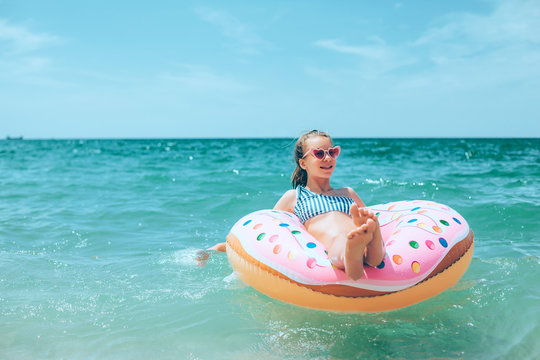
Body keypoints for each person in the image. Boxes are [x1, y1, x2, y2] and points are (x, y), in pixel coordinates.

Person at [201, 130, 384, 280]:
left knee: (369, 239)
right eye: (319, 153)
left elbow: (365, 215)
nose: (328, 158)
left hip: (355, 232)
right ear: (303, 163)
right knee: (340, 240)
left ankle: (368, 242)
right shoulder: (294, 197)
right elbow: (265, 233)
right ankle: (352, 250)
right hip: (335, 240)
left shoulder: (348, 193)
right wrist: (220, 247)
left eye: (332, 152)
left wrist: (368, 223)